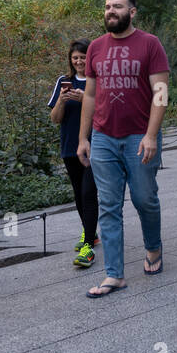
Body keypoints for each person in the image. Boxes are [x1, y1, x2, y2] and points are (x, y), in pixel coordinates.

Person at [76, 0, 170, 298]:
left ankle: (153, 247)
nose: (110, 11)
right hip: (103, 138)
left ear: (132, 12)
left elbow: (161, 93)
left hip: (138, 137)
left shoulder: (150, 44)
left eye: (117, 6)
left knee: (145, 199)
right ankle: (114, 274)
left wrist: (151, 135)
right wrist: (83, 138)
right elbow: (89, 95)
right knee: (109, 207)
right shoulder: (96, 48)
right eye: (107, 7)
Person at [48, 39, 99, 267]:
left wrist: (87, 101)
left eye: (83, 57)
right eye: (75, 57)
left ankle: (87, 246)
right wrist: (61, 100)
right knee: (79, 193)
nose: (79, 61)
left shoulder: (97, 81)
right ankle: (90, 233)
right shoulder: (63, 81)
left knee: (89, 192)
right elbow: (55, 119)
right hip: (69, 146)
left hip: (94, 146)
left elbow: (106, 113)